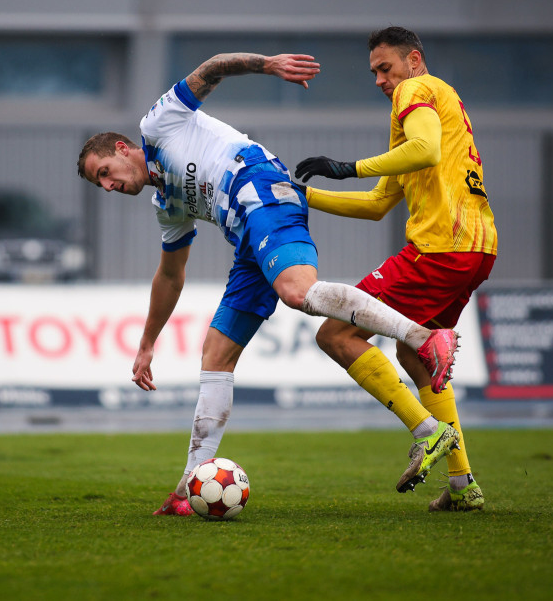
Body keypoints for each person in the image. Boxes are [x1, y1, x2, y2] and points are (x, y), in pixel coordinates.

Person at [77, 51, 462, 516]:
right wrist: (146, 344)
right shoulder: (167, 204)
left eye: (104, 173)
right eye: (99, 185)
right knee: (216, 354)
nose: (108, 186)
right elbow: (171, 276)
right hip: (245, 235)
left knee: (297, 292)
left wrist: (267, 65)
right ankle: (186, 490)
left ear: (121, 149)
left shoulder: (157, 125)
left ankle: (424, 337)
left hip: (261, 188)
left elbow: (212, 68)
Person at [293, 26, 498, 512]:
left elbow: (424, 151)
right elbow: (380, 204)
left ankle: (428, 435)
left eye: (386, 68)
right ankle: (463, 486)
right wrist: (305, 197)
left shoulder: (416, 90)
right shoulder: (435, 102)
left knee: (336, 336)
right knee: (416, 358)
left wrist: (346, 165)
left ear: (414, 60)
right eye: (375, 73)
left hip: (439, 248)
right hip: (477, 249)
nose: (381, 80)